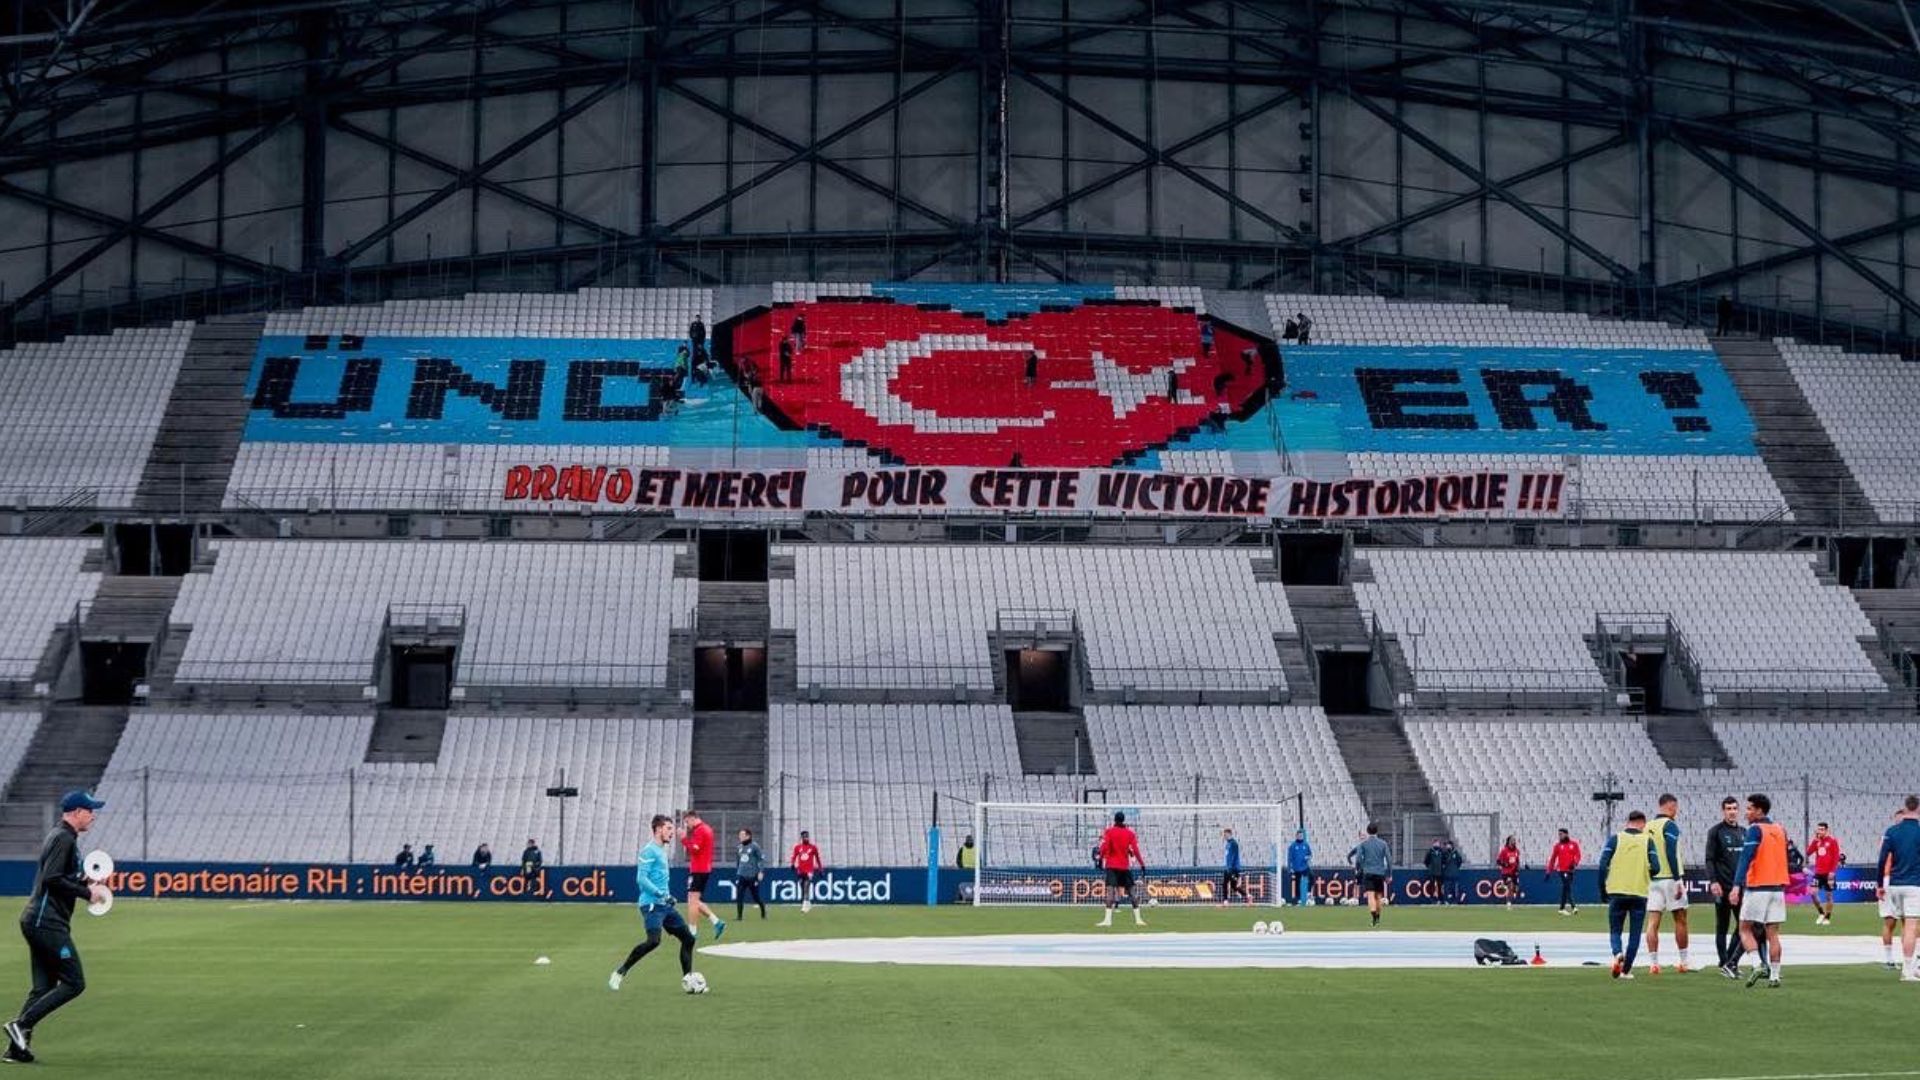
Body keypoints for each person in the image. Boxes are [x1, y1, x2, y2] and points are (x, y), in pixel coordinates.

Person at [5, 791, 108, 1064]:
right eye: (90, 810)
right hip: (45, 922)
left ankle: (17, 1049)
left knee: (42, 988)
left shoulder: (61, 836)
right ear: (76, 812)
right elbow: (52, 879)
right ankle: (20, 1024)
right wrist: (88, 894)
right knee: (74, 982)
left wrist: (85, 882)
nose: (93, 815)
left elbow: (61, 877)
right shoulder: (63, 838)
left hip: (37, 920)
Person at [609, 815, 697, 992]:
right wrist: (661, 895)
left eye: (672, 829)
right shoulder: (648, 851)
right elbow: (641, 879)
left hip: (665, 905)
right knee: (653, 941)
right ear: (658, 829)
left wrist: (666, 897)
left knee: (688, 939)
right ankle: (619, 972)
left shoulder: (661, 850)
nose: (672, 833)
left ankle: (689, 981)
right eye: (668, 829)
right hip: (651, 905)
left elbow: (659, 879)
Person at [1731, 792, 1789, 988]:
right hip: (1777, 888)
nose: (1746, 813)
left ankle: (1757, 964)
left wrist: (1736, 886)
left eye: (1749, 809)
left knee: (1744, 929)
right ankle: (1775, 976)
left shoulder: (1755, 830)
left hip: (1757, 888)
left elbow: (1745, 858)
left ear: (1758, 810)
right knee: (1773, 933)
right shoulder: (1780, 829)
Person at [1598, 810, 1660, 979]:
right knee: (1635, 933)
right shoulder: (1648, 841)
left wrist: (1602, 889)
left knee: (1615, 930)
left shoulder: (1616, 839)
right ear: (1643, 823)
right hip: (1639, 893)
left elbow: (1602, 864)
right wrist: (1646, 873)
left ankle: (1617, 953)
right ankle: (1626, 970)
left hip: (1617, 891)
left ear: (1627, 822)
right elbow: (1656, 867)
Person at [1643, 793, 1692, 974]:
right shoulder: (1669, 825)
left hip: (1653, 880)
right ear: (1671, 806)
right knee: (1680, 919)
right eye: (1676, 807)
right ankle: (1684, 961)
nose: (1676, 811)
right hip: (1670, 878)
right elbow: (1671, 851)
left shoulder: (1647, 826)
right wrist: (1678, 879)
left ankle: (1654, 963)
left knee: (1653, 921)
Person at [1878, 794, 1920, 982]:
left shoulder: (1892, 831)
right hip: (1913, 884)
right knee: (1911, 926)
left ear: (1905, 808)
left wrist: (1879, 884)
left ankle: (1910, 966)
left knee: (1901, 923)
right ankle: (1908, 970)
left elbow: (1882, 859)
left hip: (1894, 885)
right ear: (1918, 809)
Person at [1705, 796, 1748, 978]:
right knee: (1722, 926)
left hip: (1741, 888)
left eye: (1734, 808)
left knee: (1743, 926)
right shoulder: (1716, 831)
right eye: (1728, 808)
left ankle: (1730, 961)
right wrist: (1713, 881)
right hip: (1722, 887)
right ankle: (1723, 962)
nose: (1732, 811)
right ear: (1723, 811)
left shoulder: (1744, 832)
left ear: (1738, 811)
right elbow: (1709, 859)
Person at [679, 810, 726, 941]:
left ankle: (692, 933)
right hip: (703, 868)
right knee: (693, 900)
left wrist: (683, 839)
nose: (687, 825)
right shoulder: (707, 829)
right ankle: (716, 921)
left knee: (692, 901)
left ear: (692, 818)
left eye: (687, 822)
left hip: (699, 869)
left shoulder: (700, 830)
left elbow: (695, 849)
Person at [1096, 811, 1147, 928]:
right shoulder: (1130, 834)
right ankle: (1138, 919)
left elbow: (1104, 847)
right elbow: (1135, 850)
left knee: (1110, 893)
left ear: (1114, 820)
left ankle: (1107, 920)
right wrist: (1142, 865)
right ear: (1123, 820)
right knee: (1132, 893)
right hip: (1124, 867)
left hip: (1112, 866)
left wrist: (1100, 860)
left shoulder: (1109, 831)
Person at [1347, 823, 1391, 927]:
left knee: (1370, 896)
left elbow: (1358, 858)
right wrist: (1389, 874)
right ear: (1377, 831)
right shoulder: (1383, 843)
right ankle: (1378, 918)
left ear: (1367, 831)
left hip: (1368, 872)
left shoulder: (1363, 844)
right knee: (1379, 896)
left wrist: (1360, 867)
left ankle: (1374, 918)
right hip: (1380, 872)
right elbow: (1389, 859)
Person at [1806, 822, 1843, 925]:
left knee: (1829, 896)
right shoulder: (1817, 841)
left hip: (1829, 873)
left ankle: (1827, 917)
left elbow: (1836, 857)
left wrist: (1832, 871)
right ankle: (1821, 913)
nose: (1820, 831)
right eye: (1819, 829)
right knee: (1813, 893)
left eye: (1822, 829)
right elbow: (1808, 852)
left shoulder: (1832, 841)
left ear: (1827, 830)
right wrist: (1814, 840)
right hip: (1818, 872)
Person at [734, 828, 767, 921]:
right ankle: (739, 916)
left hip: (752, 876)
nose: (740, 837)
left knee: (755, 897)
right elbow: (738, 861)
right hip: (741, 875)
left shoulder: (755, 846)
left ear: (748, 836)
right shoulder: (739, 847)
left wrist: (761, 871)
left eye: (742, 835)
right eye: (739, 835)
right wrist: (738, 871)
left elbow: (761, 859)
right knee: (739, 895)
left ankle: (763, 911)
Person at [1547, 828, 1582, 914]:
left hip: (1571, 870)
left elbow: (1578, 855)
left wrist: (1574, 863)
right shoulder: (1557, 846)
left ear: (1566, 834)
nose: (1560, 836)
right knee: (1567, 886)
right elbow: (1553, 859)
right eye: (1559, 834)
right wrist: (1549, 871)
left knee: (1566, 888)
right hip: (1561, 870)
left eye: (1561, 834)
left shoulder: (1574, 844)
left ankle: (1561, 908)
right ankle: (1573, 907)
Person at [790, 830, 823, 914]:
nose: (806, 838)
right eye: (804, 837)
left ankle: (804, 907)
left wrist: (820, 869)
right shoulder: (798, 847)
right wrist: (792, 864)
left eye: (807, 836)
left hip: (809, 871)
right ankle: (808, 903)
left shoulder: (813, 847)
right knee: (801, 885)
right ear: (802, 838)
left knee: (806, 887)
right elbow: (794, 856)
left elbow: (818, 859)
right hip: (800, 870)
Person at [1219, 828, 1250, 907]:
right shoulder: (1228, 844)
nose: (1224, 836)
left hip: (1233, 869)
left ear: (1229, 834)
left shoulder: (1234, 843)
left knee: (1234, 886)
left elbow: (1233, 857)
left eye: (1225, 834)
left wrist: (1231, 868)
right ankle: (1225, 901)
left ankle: (1247, 896)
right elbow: (1228, 857)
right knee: (1225, 884)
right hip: (1228, 868)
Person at [1286, 830, 1313, 907]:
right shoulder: (1293, 846)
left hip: (1304, 867)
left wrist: (1308, 857)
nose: (1301, 837)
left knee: (1312, 877)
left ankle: (1308, 893)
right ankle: (1297, 900)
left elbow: (1310, 854)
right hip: (1296, 868)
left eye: (1302, 835)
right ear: (1296, 836)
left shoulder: (1306, 845)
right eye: (1299, 835)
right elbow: (1289, 858)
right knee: (1297, 884)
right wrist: (1290, 868)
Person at [1496, 836, 1522, 908]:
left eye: (1514, 840)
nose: (1514, 841)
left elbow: (1517, 860)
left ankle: (1503, 885)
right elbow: (1498, 861)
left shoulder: (1516, 851)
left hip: (1514, 872)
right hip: (1506, 872)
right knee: (1510, 885)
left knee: (1516, 889)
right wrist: (1505, 864)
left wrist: (1518, 868)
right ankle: (1508, 903)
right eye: (1512, 840)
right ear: (1509, 841)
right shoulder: (1504, 850)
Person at [1423, 838, 1447, 903]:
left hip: (1440, 872)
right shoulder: (1430, 852)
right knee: (1432, 886)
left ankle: (1441, 899)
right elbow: (1426, 861)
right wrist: (1430, 867)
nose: (1436, 844)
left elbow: (1444, 861)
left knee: (1440, 886)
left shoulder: (1442, 852)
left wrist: (1442, 867)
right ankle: (1432, 899)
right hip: (1432, 872)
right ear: (1433, 844)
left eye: (1437, 843)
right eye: (1435, 843)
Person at [1441, 838, 1464, 905]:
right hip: (1446, 874)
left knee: (1454, 889)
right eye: (1447, 845)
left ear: (1451, 846)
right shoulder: (1444, 853)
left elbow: (1459, 861)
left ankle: (1455, 901)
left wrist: (1455, 869)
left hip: (1454, 874)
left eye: (1449, 845)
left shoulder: (1456, 853)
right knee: (1446, 889)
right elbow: (1442, 862)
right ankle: (1446, 901)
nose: (1447, 846)